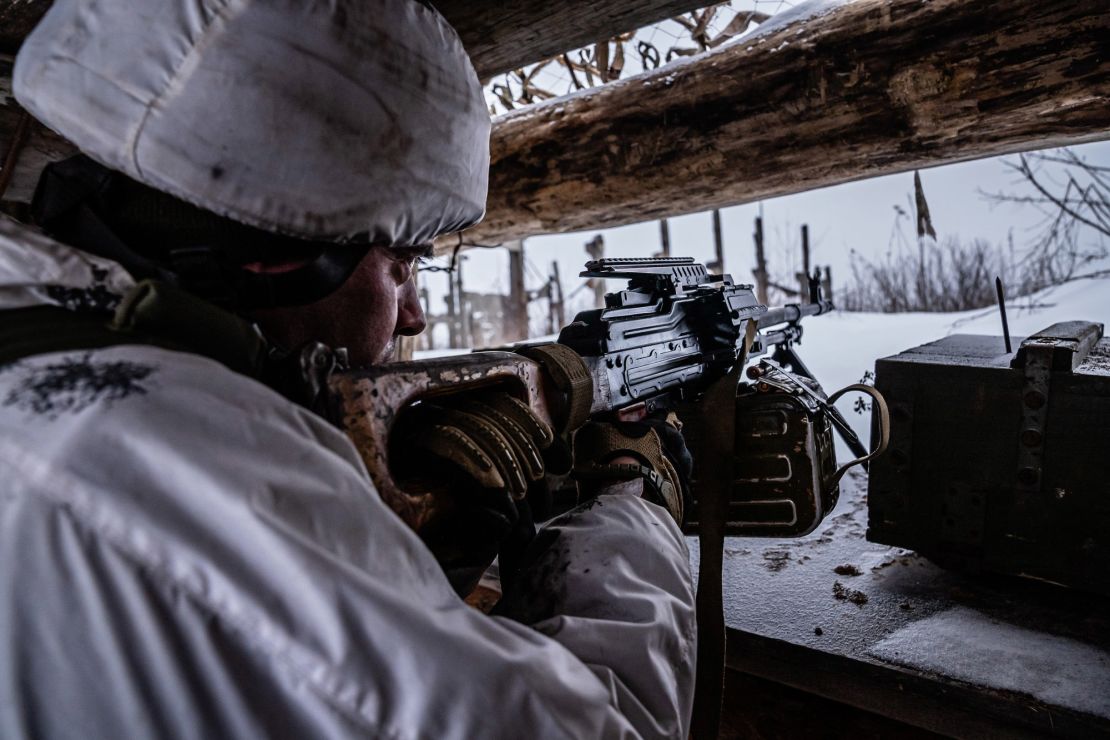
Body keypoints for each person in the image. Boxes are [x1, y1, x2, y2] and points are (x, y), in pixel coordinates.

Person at [0, 0, 697, 737]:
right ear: (285, 253)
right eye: (403, 265)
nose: (414, 317)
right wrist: (634, 501)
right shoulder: (188, 471)